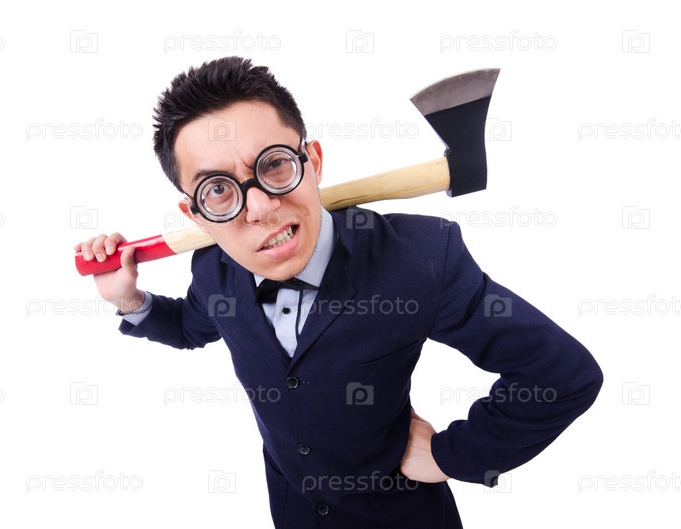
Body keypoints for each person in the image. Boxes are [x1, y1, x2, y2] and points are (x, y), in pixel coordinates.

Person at [75, 56, 603, 528]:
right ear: (195, 214)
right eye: (218, 189)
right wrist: (127, 299)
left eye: (274, 163)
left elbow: (561, 375)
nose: (260, 207)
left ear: (314, 161)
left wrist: (452, 455)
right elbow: (190, 328)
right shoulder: (214, 269)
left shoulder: (419, 260)